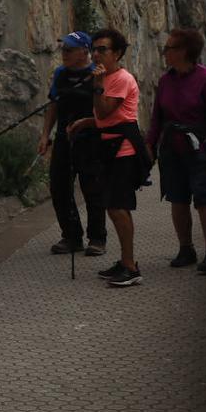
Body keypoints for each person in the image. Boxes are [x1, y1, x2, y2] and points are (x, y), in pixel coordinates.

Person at [66, 28, 149, 287]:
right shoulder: (108, 78)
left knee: (117, 206)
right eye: (95, 49)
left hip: (123, 150)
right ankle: (125, 261)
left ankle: (131, 266)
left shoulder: (121, 79)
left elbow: (105, 113)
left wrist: (98, 87)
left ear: (118, 53)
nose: (97, 54)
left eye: (103, 49)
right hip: (109, 147)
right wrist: (85, 122)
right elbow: (106, 118)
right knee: (114, 206)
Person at [145, 28, 206, 275]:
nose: (165, 53)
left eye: (169, 48)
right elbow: (156, 118)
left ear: (184, 51)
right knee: (177, 199)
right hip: (172, 149)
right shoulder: (165, 80)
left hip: (200, 149)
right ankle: (186, 248)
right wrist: (150, 145)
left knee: (205, 199)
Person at [38, 31, 107, 256]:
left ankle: (97, 238)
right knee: (59, 187)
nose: (64, 54)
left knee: (92, 188)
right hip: (64, 139)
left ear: (84, 52)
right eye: (63, 49)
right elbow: (53, 105)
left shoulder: (97, 73)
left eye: (69, 50)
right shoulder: (60, 74)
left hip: (90, 140)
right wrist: (45, 134)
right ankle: (71, 236)